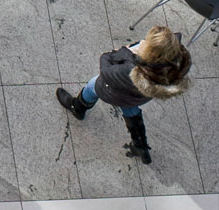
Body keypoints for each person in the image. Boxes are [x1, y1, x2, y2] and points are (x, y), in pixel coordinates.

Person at [55, 25, 191, 165]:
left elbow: (106, 72)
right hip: (139, 96)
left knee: (92, 86)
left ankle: (77, 107)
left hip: (114, 91)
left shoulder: (131, 68)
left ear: (151, 52)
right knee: (131, 109)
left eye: (148, 42)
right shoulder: (177, 64)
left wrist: (114, 54)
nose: (144, 41)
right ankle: (140, 147)